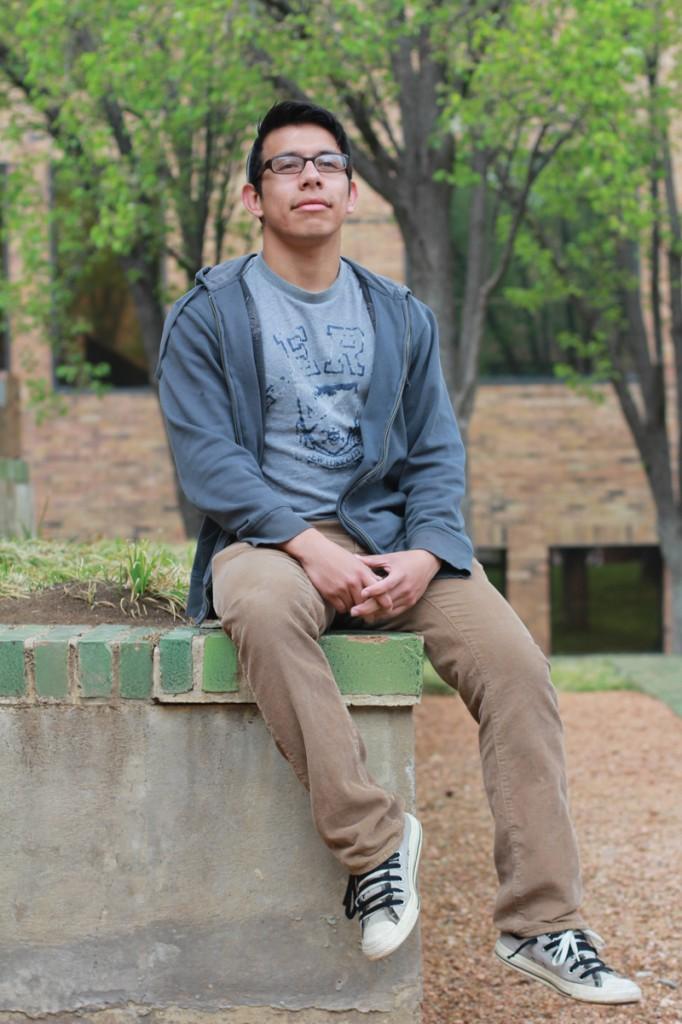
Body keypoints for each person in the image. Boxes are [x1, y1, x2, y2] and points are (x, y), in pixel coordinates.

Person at [156, 100, 641, 1003]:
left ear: (349, 188)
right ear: (253, 197)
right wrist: (308, 548)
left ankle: (545, 920)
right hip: (269, 539)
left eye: (327, 164)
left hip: (393, 542)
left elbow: (434, 454)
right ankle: (377, 846)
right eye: (287, 165)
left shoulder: (398, 315)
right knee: (259, 609)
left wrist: (426, 554)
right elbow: (208, 461)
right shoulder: (209, 314)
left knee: (515, 663)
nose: (310, 177)